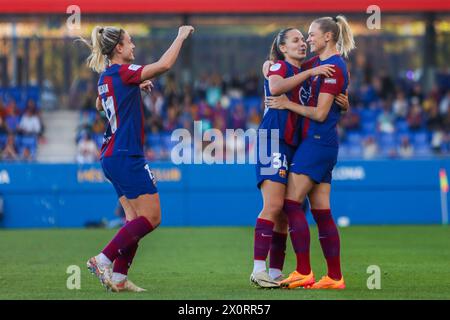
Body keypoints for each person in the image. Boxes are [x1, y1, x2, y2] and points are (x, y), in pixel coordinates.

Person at [80, 24, 194, 292]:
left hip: (110, 155)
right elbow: (165, 65)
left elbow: (100, 104)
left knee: (134, 220)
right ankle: (103, 259)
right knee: (152, 218)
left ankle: (119, 278)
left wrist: (133, 88)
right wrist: (180, 36)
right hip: (125, 153)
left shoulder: (106, 77)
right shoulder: (123, 72)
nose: (133, 46)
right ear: (118, 48)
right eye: (130, 42)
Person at [251, 27, 348, 288]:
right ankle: (258, 269)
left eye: (304, 39)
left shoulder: (307, 69)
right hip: (272, 140)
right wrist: (310, 72)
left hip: (292, 143)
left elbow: (328, 84)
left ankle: (274, 272)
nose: (303, 42)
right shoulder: (279, 67)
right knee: (274, 205)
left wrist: (342, 102)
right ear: (282, 48)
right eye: (296, 40)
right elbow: (275, 86)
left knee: (284, 211)